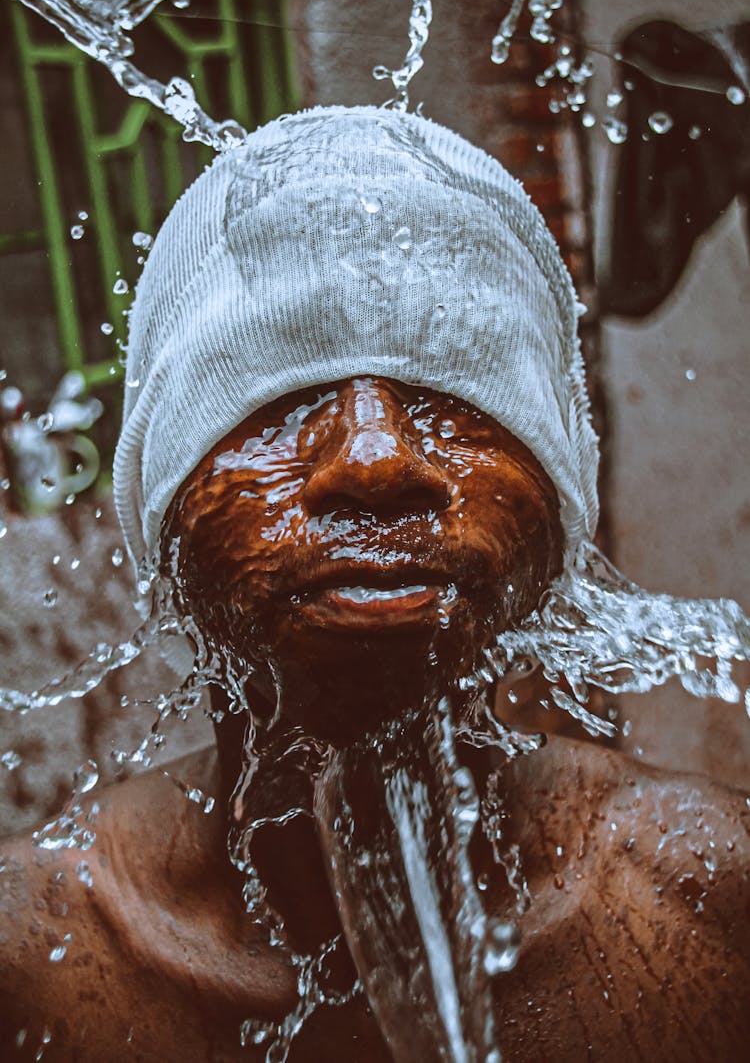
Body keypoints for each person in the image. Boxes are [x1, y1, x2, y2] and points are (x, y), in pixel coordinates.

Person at [0, 106, 748, 1062]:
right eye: (275, 391)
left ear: (560, 492)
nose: (374, 457)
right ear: (160, 497)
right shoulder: (36, 958)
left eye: (454, 387)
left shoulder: (717, 910)